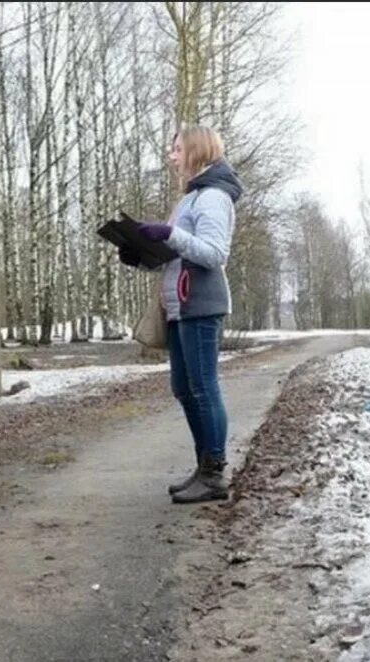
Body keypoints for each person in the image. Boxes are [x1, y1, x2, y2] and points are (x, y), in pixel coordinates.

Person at [120, 125, 243, 504]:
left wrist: (168, 234)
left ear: (196, 151)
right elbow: (176, 254)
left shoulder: (213, 197)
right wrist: (140, 255)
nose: (171, 157)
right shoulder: (190, 198)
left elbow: (213, 254)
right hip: (178, 306)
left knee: (203, 387)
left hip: (201, 304)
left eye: (176, 150)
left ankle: (214, 473)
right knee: (184, 388)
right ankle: (203, 464)